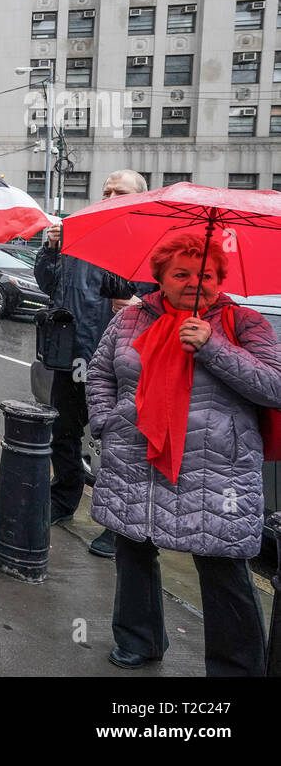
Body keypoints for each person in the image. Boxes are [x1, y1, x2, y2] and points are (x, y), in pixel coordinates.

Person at [87, 230, 281, 675]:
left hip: (216, 467)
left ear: (220, 279)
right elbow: (100, 373)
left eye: (207, 275)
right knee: (133, 548)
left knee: (222, 567)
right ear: (161, 277)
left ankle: (237, 666)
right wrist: (106, 420)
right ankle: (138, 640)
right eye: (182, 273)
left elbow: (274, 386)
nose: (196, 282)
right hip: (134, 456)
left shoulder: (245, 323)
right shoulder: (132, 320)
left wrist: (213, 347)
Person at [35, 169, 149, 557]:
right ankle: (63, 498)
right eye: (106, 191)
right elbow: (50, 285)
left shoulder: (151, 242)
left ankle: (117, 523)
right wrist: (50, 250)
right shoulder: (81, 236)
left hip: (126, 361)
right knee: (64, 433)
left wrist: (139, 305)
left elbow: (171, 297)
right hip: (74, 355)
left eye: (120, 191)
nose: (111, 195)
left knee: (118, 443)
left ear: (139, 197)